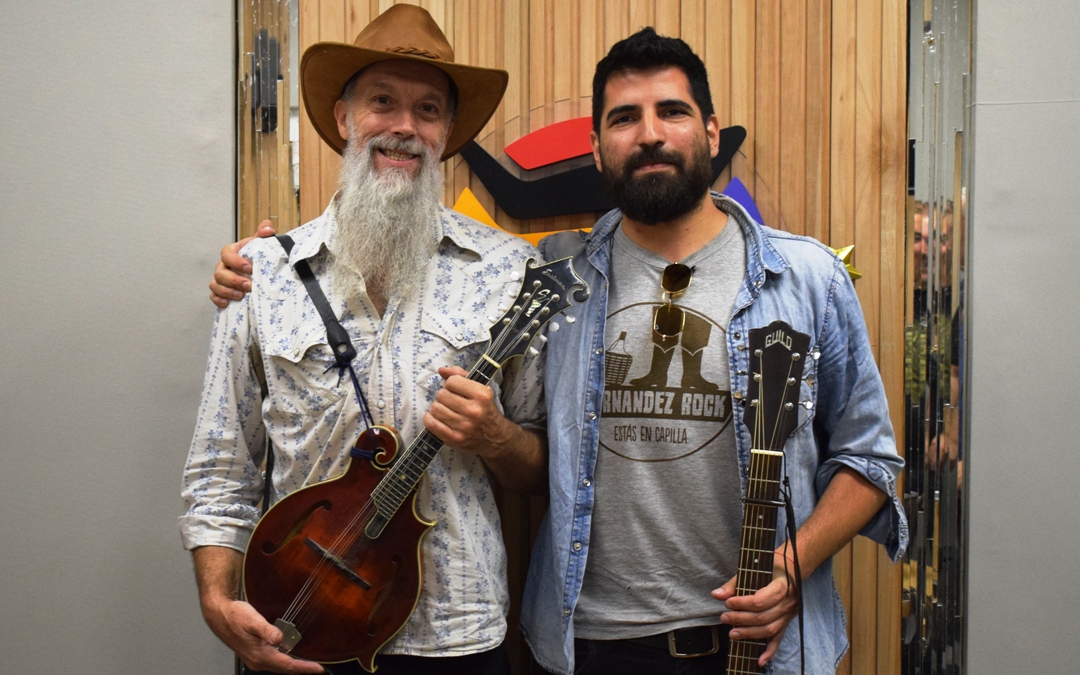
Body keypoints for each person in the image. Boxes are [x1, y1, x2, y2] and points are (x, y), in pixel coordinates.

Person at [213, 26, 907, 675]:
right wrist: (259, 265)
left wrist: (788, 565)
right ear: (598, 148)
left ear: (712, 133)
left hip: (761, 639)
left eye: (672, 111)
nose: (651, 134)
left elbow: (869, 456)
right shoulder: (551, 276)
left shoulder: (806, 278)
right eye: (624, 118)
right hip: (588, 639)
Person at [181, 5, 546, 675]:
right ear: (345, 118)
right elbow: (220, 464)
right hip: (296, 622)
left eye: (429, 109)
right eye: (384, 101)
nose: (405, 127)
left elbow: (543, 469)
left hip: (456, 635)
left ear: (448, 134)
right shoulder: (261, 273)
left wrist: (494, 435)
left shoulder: (508, 270)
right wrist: (215, 597)